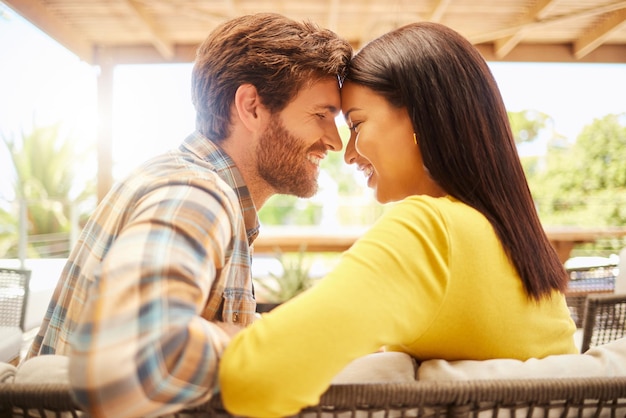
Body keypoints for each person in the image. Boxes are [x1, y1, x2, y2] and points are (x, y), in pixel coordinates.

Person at [218, 21, 578, 418]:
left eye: (356, 124)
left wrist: (217, 332)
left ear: (421, 120)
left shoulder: (429, 229)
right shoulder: (507, 234)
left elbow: (252, 379)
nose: (348, 152)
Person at [22, 13, 352, 418]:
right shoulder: (195, 194)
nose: (335, 141)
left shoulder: (189, 182)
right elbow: (132, 359)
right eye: (322, 115)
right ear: (251, 107)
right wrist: (265, 346)